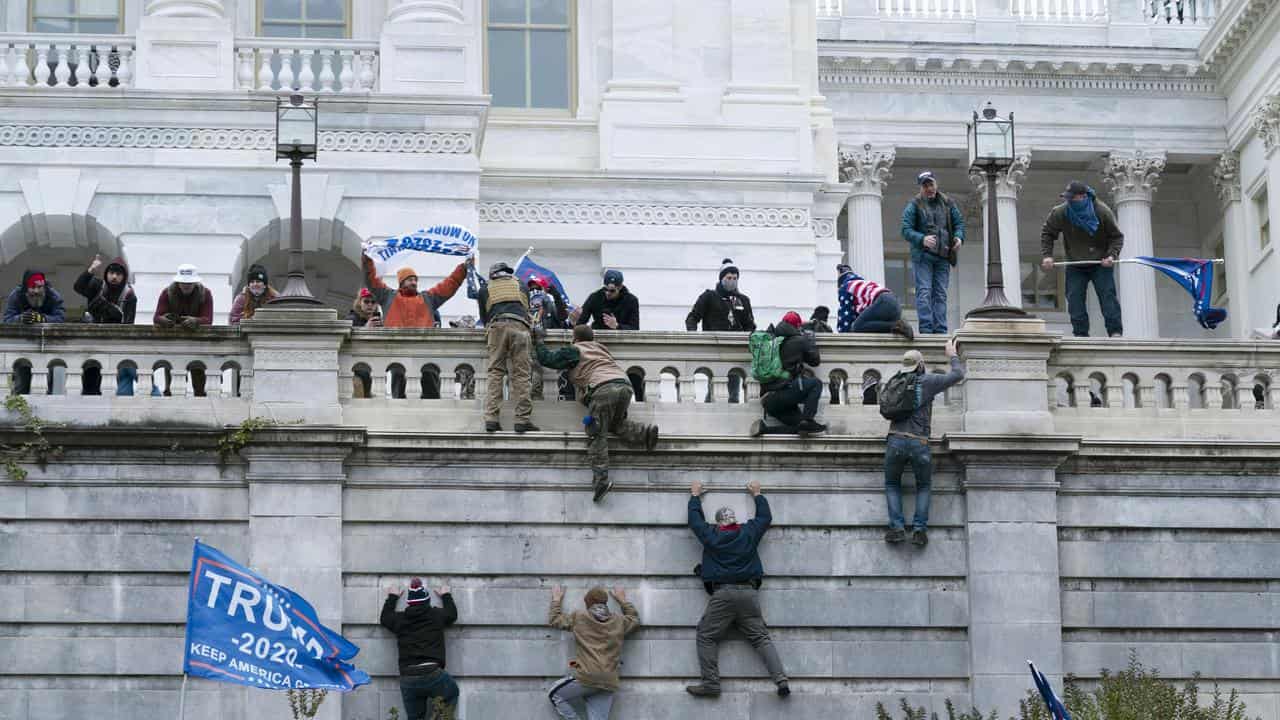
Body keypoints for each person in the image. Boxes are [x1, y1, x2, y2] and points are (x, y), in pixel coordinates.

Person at [685, 478, 789, 699]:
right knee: (761, 638)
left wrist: (694, 496)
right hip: (749, 593)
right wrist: (757, 494)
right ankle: (781, 680)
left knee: (706, 635)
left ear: (719, 522)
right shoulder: (748, 532)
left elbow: (695, 522)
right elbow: (765, 518)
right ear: (734, 520)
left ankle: (711, 683)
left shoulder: (712, 535)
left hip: (724, 594)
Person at [534, 324, 659, 500]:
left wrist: (539, 340)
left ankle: (601, 480)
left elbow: (548, 359)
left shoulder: (575, 349)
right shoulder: (602, 349)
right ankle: (645, 434)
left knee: (596, 433)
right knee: (614, 424)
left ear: (575, 338)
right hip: (624, 386)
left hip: (603, 389)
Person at [883, 339, 965, 547]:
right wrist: (952, 354)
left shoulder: (894, 382)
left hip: (895, 439)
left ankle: (897, 528)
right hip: (919, 441)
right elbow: (958, 375)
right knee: (924, 485)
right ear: (920, 365)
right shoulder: (927, 381)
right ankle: (919, 531)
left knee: (893, 485)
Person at [1040, 180, 1125, 338]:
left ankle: (1115, 332)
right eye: (1068, 198)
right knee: (1074, 299)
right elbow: (1048, 233)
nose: (1069, 201)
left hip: (1100, 263)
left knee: (1107, 296)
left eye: (1073, 198)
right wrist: (1047, 255)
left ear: (1083, 197)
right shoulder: (1061, 212)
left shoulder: (1101, 211)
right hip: (1075, 263)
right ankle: (1080, 334)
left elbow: (1116, 237)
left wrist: (1112, 255)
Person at [547, 584, 640, 720]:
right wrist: (622, 600)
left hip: (587, 678)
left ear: (587, 603)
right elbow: (635, 620)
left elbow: (555, 619)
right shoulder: (619, 621)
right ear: (605, 603)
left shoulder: (579, 617)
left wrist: (556, 599)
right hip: (608, 682)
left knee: (554, 694)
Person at [380, 578, 459, 719]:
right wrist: (446, 595)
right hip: (432, 673)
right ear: (427, 601)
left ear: (409, 603)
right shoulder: (436, 615)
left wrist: (392, 597)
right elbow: (452, 614)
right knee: (451, 692)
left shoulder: (401, 619)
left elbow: (385, 618)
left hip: (408, 676)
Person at [475, 260, 537, 433]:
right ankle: (522, 420)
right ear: (508, 273)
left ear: (493, 274)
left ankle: (491, 419)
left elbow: (484, 316)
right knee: (522, 375)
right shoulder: (521, 285)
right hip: (520, 327)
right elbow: (526, 308)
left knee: (496, 372)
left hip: (497, 326)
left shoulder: (485, 288)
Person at [900, 171, 965, 334]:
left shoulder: (948, 203)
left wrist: (958, 237)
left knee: (941, 294)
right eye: (925, 185)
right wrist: (922, 239)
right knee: (924, 292)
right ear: (921, 187)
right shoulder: (914, 204)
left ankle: (941, 330)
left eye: (931, 184)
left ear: (936, 184)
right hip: (923, 256)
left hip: (943, 256)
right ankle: (926, 330)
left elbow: (959, 224)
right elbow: (905, 230)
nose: (929, 188)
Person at [687, 259, 756, 403]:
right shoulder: (709, 296)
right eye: (729, 278)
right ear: (722, 278)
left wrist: (749, 337)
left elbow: (750, 324)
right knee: (716, 387)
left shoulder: (743, 300)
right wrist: (693, 337)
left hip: (737, 350)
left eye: (735, 278)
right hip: (715, 347)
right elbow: (693, 317)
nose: (732, 281)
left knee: (734, 390)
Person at [750, 312, 826, 436]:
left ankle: (764, 429)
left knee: (800, 427)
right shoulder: (800, 340)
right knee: (816, 384)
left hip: (767, 400)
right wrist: (810, 340)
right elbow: (815, 361)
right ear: (797, 326)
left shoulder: (771, 339)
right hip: (783, 394)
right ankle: (808, 420)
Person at [361, 254, 467, 329]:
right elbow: (372, 280)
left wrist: (463, 269)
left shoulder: (428, 298)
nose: (414, 283)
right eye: (410, 280)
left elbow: (449, 285)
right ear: (401, 282)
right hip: (394, 349)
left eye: (415, 280)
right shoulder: (388, 296)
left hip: (421, 351)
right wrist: (367, 259)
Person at [4, 270, 66, 395]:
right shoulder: (16, 295)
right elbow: (7, 320)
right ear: (26, 287)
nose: (37, 291)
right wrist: (20, 318)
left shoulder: (53, 295)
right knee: (21, 382)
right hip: (23, 346)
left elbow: (61, 318)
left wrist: (42, 318)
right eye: (33, 287)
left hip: (48, 345)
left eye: (39, 287)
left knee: (47, 383)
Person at [836, 264, 914, 338]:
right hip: (894, 304)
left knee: (857, 327)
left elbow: (845, 313)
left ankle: (897, 325)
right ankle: (898, 326)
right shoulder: (863, 284)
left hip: (883, 302)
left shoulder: (846, 286)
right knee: (869, 326)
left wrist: (843, 334)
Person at [74, 255, 135, 325]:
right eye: (111, 273)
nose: (114, 276)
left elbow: (129, 324)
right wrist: (90, 270)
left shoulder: (129, 295)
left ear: (124, 277)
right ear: (106, 274)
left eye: (118, 274)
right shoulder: (98, 286)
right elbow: (78, 287)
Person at [572, 269, 639, 331]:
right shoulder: (595, 297)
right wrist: (574, 320)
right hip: (597, 336)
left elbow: (635, 328)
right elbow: (581, 322)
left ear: (620, 287)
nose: (608, 293)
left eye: (612, 291)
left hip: (621, 339)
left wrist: (617, 326)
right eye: (605, 289)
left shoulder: (631, 301)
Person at [153, 264, 213, 329]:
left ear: (195, 282)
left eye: (189, 283)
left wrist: (196, 321)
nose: (186, 285)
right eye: (183, 282)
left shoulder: (205, 293)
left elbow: (208, 320)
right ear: (178, 282)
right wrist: (164, 320)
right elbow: (156, 318)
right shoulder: (167, 293)